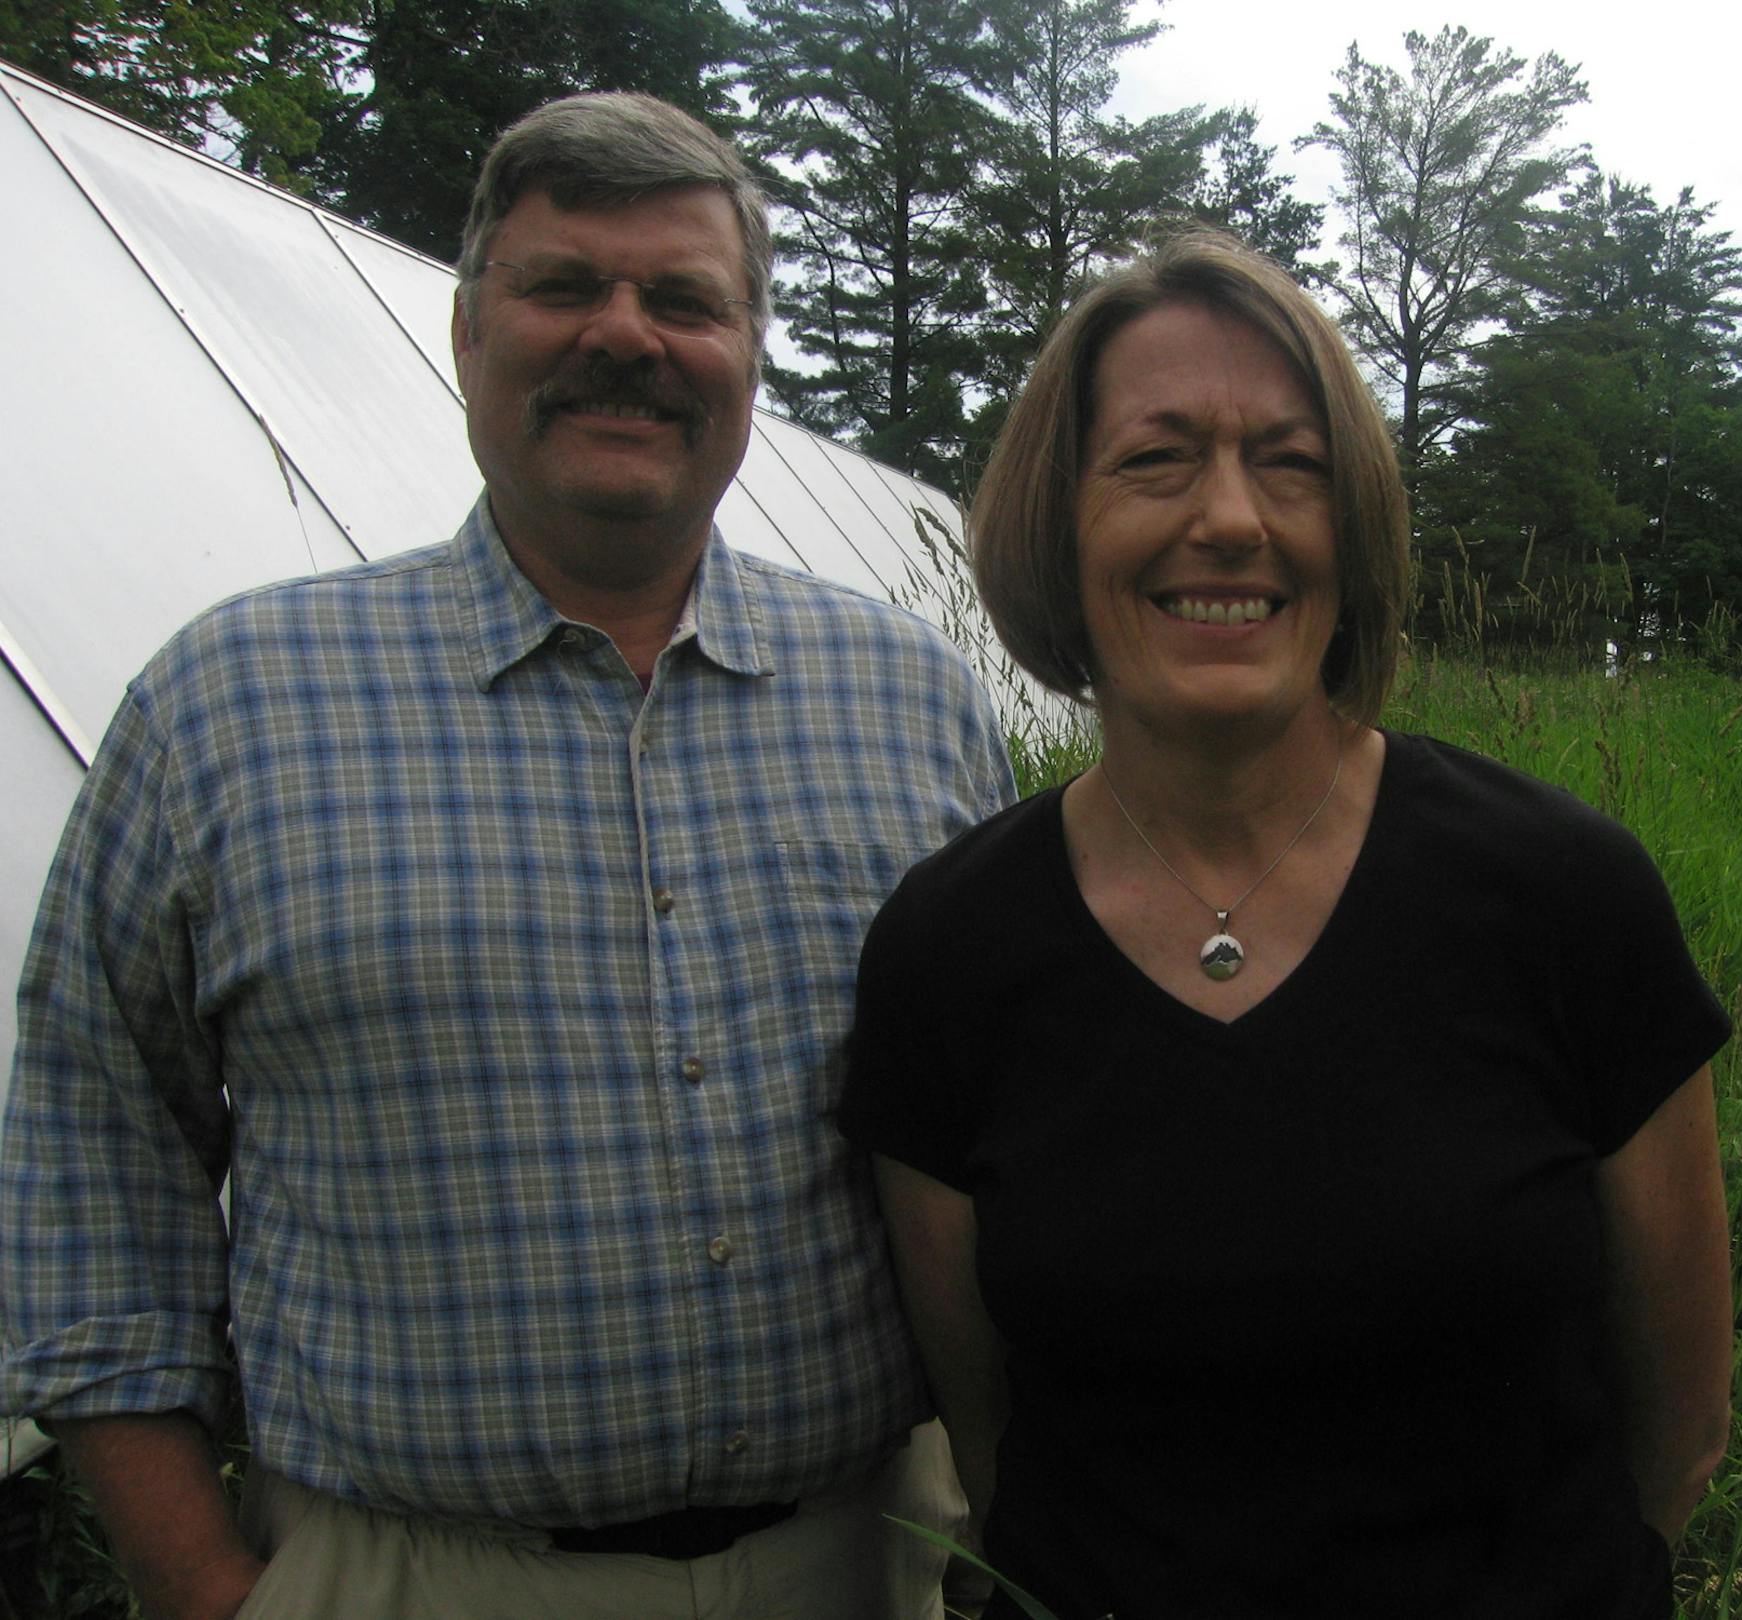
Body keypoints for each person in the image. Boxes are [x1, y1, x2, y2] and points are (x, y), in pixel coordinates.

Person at [0, 92, 1010, 1620]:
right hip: (404, 1576)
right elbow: (92, 1152)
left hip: (860, 1560)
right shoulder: (232, 708)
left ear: (750, 355)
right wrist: (204, 1586)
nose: (627, 335)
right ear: (470, 335)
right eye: (562, 288)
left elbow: (1005, 1129)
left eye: (685, 300)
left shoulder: (913, 702)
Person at [839, 233, 1733, 1619]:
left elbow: (1677, 1432)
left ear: (1352, 526)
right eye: (1156, 458)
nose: (1233, 517)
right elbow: (991, 1435)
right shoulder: (948, 952)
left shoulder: (1565, 897)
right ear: (1056, 523)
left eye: (1291, 463)